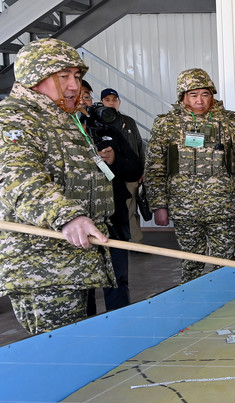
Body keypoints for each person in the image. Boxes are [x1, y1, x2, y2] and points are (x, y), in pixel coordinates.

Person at [0, 38, 115, 334]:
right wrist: (68, 216)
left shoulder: (60, 118)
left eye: (76, 76)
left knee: (75, 342)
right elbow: (18, 178)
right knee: (57, 347)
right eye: (63, 77)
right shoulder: (14, 118)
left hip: (70, 259)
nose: (74, 86)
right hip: (41, 264)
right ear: (34, 77)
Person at [145, 68, 235, 283]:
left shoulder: (230, 122)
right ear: (183, 97)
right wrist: (159, 206)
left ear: (212, 94)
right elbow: (155, 168)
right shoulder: (167, 124)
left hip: (222, 207)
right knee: (191, 265)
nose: (200, 100)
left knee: (226, 264)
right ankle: (193, 301)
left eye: (205, 94)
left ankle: (226, 300)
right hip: (184, 209)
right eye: (193, 95)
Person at [88, 129, 143, 313]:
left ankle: (120, 321)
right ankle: (85, 326)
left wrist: (115, 160)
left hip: (113, 220)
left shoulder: (108, 131)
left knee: (118, 280)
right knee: (82, 287)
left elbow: (135, 170)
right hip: (76, 222)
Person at [99, 87, 146, 243]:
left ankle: (135, 242)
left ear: (119, 102)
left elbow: (139, 146)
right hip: (107, 175)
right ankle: (115, 243)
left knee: (131, 208)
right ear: (101, 102)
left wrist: (142, 169)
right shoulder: (97, 122)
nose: (111, 103)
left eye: (114, 100)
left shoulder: (128, 122)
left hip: (129, 171)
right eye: (107, 100)